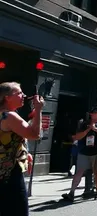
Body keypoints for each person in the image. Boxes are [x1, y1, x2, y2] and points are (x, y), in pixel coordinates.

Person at [0, 82, 44, 216]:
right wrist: (38, 110)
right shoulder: (9, 116)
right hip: (9, 174)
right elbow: (35, 134)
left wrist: (25, 153)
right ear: (7, 97)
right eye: (19, 93)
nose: (23, 95)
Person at [62, 107, 97, 201]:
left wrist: (95, 129)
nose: (96, 114)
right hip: (84, 152)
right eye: (94, 112)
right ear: (91, 114)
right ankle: (71, 193)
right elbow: (77, 136)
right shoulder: (85, 123)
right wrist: (87, 130)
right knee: (79, 172)